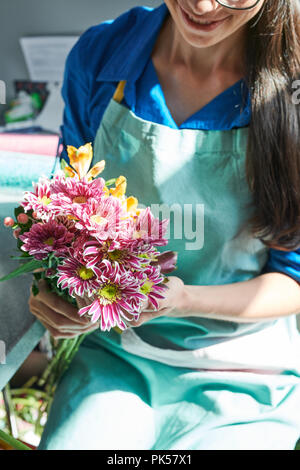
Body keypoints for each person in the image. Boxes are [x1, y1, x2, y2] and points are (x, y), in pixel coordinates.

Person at [30, 1, 300, 450]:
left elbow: (293, 280)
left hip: (245, 371)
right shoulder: (102, 56)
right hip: (119, 353)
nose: (203, 6)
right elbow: (69, 209)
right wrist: (59, 289)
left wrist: (183, 300)